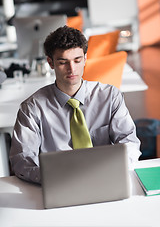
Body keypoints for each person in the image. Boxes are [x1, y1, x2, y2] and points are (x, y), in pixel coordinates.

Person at [10, 25, 141, 184]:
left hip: (106, 179)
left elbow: (129, 142)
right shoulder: (31, 109)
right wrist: (54, 178)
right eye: (63, 62)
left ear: (85, 58)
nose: (72, 69)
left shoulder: (110, 97)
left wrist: (117, 168)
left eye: (77, 60)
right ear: (50, 63)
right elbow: (22, 160)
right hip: (59, 183)